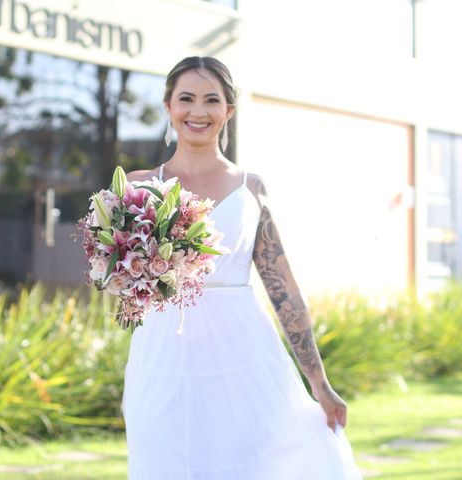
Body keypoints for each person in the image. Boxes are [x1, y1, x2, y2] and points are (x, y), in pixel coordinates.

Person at [122, 56, 363, 479]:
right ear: (168, 106)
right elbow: (119, 282)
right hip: (162, 356)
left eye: (212, 100)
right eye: (187, 99)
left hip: (245, 354)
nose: (198, 112)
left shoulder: (250, 188)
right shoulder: (138, 186)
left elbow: (283, 289)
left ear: (228, 111)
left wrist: (319, 384)